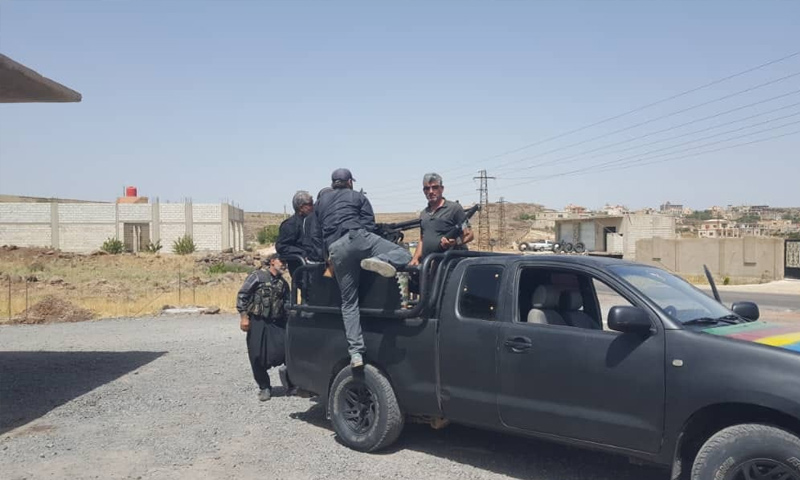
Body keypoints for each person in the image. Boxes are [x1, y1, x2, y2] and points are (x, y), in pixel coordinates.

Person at [313, 168, 412, 368]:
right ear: (349, 182)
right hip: (358, 238)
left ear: (333, 183)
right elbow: (369, 224)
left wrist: (326, 257)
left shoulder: (320, 203)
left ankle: (356, 353)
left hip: (336, 249)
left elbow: (316, 235)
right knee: (404, 254)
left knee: (349, 303)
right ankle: (381, 260)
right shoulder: (358, 196)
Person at [236, 254, 290, 401]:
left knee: (286, 352)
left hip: (276, 323)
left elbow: (287, 304)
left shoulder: (283, 284)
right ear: (272, 261)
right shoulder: (257, 277)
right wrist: (244, 317)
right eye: (282, 261)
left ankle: (291, 383)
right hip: (258, 321)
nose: (284, 265)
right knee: (256, 356)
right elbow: (242, 295)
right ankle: (264, 387)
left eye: (286, 262)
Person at [409, 172, 474, 267]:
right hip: (429, 267)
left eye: (435, 187)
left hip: (449, 266)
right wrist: (415, 258)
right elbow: (422, 239)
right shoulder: (424, 214)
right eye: (427, 188)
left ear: (442, 189)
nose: (431, 191)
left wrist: (456, 242)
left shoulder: (454, 208)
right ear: (424, 191)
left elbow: (470, 234)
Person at [276, 190, 322, 276]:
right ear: (301, 207)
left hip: (318, 262)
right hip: (303, 268)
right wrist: (302, 252)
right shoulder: (291, 224)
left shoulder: (314, 222)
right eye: (310, 204)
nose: (313, 207)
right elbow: (282, 246)